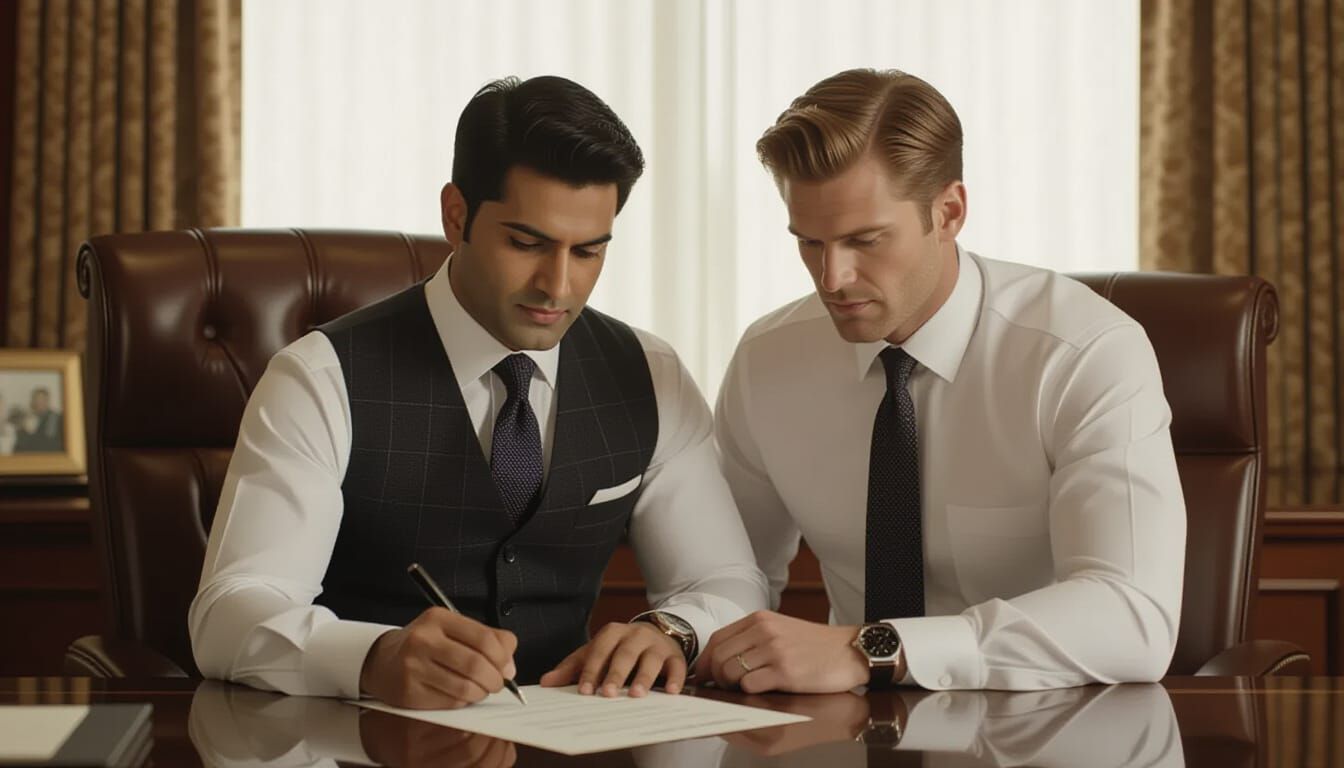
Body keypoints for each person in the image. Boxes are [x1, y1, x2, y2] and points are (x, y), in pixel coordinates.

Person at [190, 75, 769, 710]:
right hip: (363, 740)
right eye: (527, 244)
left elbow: (727, 579)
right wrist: (371, 657)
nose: (558, 286)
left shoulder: (650, 374)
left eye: (589, 252)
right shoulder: (320, 379)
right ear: (456, 215)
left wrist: (675, 630)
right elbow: (230, 611)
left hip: (575, 743)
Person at [697, 68, 1185, 692]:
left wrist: (870, 650)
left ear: (949, 212)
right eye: (809, 243)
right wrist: (678, 629)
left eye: (865, 240)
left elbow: (1132, 617)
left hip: (1054, 729)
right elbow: (734, 573)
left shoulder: (1084, 353)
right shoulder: (769, 361)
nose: (832, 278)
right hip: (851, 733)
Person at [13, 387, 63, 452]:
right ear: (33, 401)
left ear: (47, 401)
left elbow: (51, 441)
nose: (39, 402)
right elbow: (19, 442)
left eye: (42, 399)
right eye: (37, 399)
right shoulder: (26, 417)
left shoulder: (54, 417)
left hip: (50, 456)